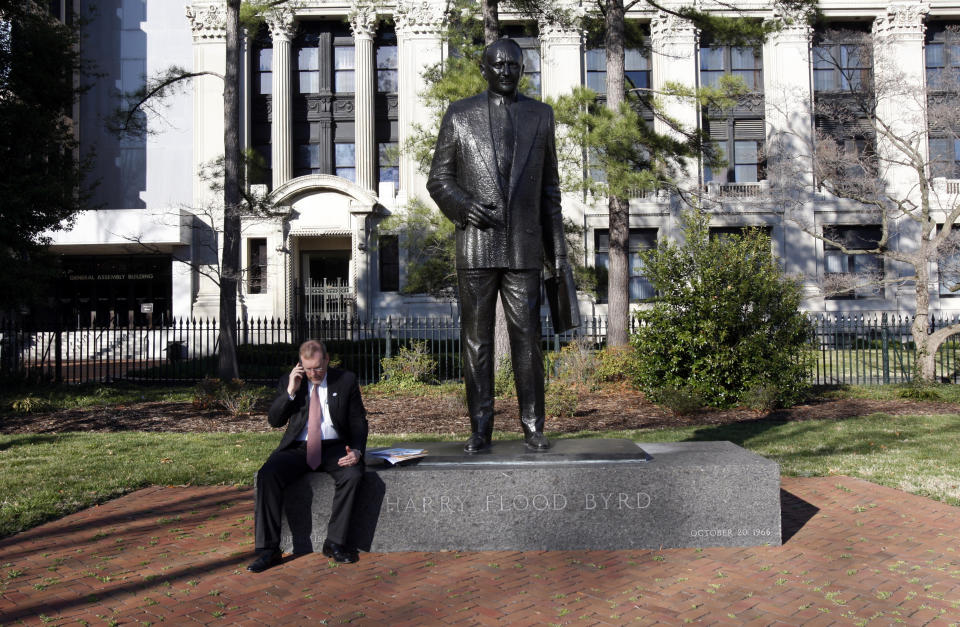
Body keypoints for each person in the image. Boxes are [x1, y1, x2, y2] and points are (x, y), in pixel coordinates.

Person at [427, 38, 569, 453]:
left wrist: (556, 252)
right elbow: (439, 179)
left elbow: (550, 192)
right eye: (499, 64)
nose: (507, 70)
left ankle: (532, 425)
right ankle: (480, 428)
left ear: (523, 69)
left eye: (514, 64)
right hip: (476, 245)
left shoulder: (541, 116)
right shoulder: (460, 114)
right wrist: (465, 206)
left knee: (528, 340)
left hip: (523, 246)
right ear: (485, 68)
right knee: (476, 341)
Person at [247, 339, 368, 573]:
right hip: (298, 447)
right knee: (267, 475)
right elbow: (275, 421)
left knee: (353, 474)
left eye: (318, 368)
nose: (313, 373)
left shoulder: (345, 380)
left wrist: (357, 450)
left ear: (327, 360)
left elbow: (358, 421)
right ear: (300, 364)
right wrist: (291, 391)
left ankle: (335, 542)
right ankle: (269, 549)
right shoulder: (292, 381)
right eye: (308, 368)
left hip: (334, 446)